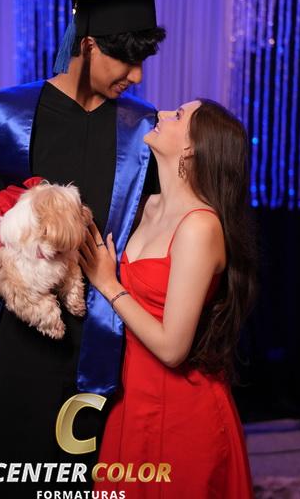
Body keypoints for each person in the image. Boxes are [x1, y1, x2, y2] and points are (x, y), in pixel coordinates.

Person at [0, 0, 187, 497]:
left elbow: (171, 224)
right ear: (88, 46)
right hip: (21, 344)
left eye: (143, 61)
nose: (137, 75)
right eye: (126, 60)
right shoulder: (9, 119)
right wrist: (5, 262)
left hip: (111, 342)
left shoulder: (143, 130)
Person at [80, 98, 257, 498]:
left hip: (182, 411)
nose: (160, 114)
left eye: (178, 116)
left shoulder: (200, 227)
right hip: (131, 397)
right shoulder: (147, 205)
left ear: (192, 147)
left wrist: (108, 284)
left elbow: (173, 348)